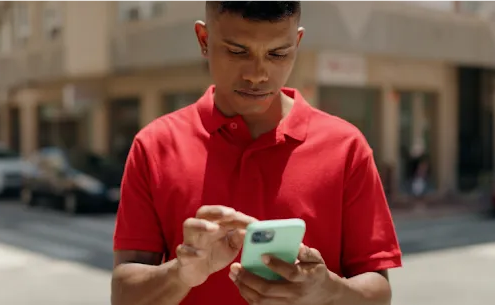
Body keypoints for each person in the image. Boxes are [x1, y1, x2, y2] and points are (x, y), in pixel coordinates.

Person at [111, 1, 402, 305]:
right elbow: (123, 294)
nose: (257, 74)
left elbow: (378, 292)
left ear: (297, 43)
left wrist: (326, 291)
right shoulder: (154, 146)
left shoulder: (346, 147)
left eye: (278, 53)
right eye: (238, 51)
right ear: (204, 40)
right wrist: (180, 273)